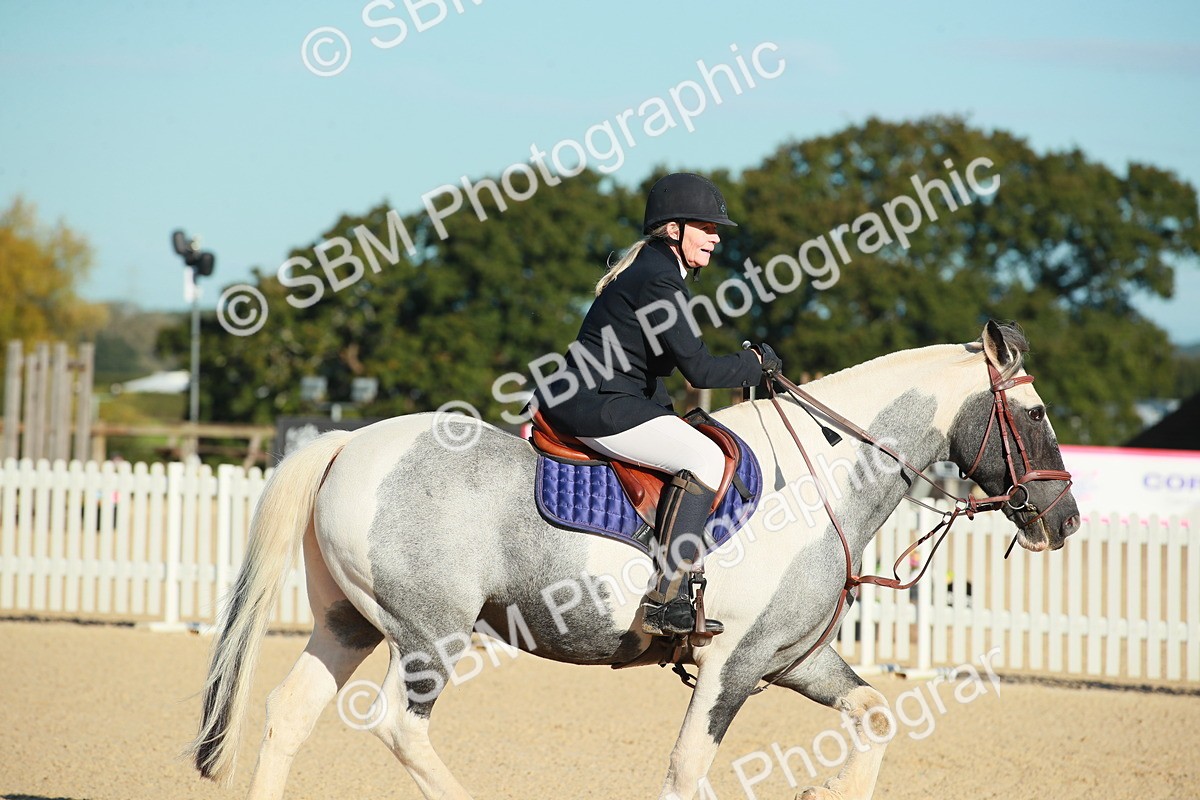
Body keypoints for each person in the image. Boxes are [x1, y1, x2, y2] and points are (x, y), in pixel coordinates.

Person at [532, 172, 782, 637]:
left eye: (716, 229)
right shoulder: (660, 280)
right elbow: (700, 372)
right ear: (673, 229)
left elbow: (653, 367)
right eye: (705, 228)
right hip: (596, 404)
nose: (715, 238)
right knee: (706, 458)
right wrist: (753, 365)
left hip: (599, 397)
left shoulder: (651, 269)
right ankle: (665, 601)